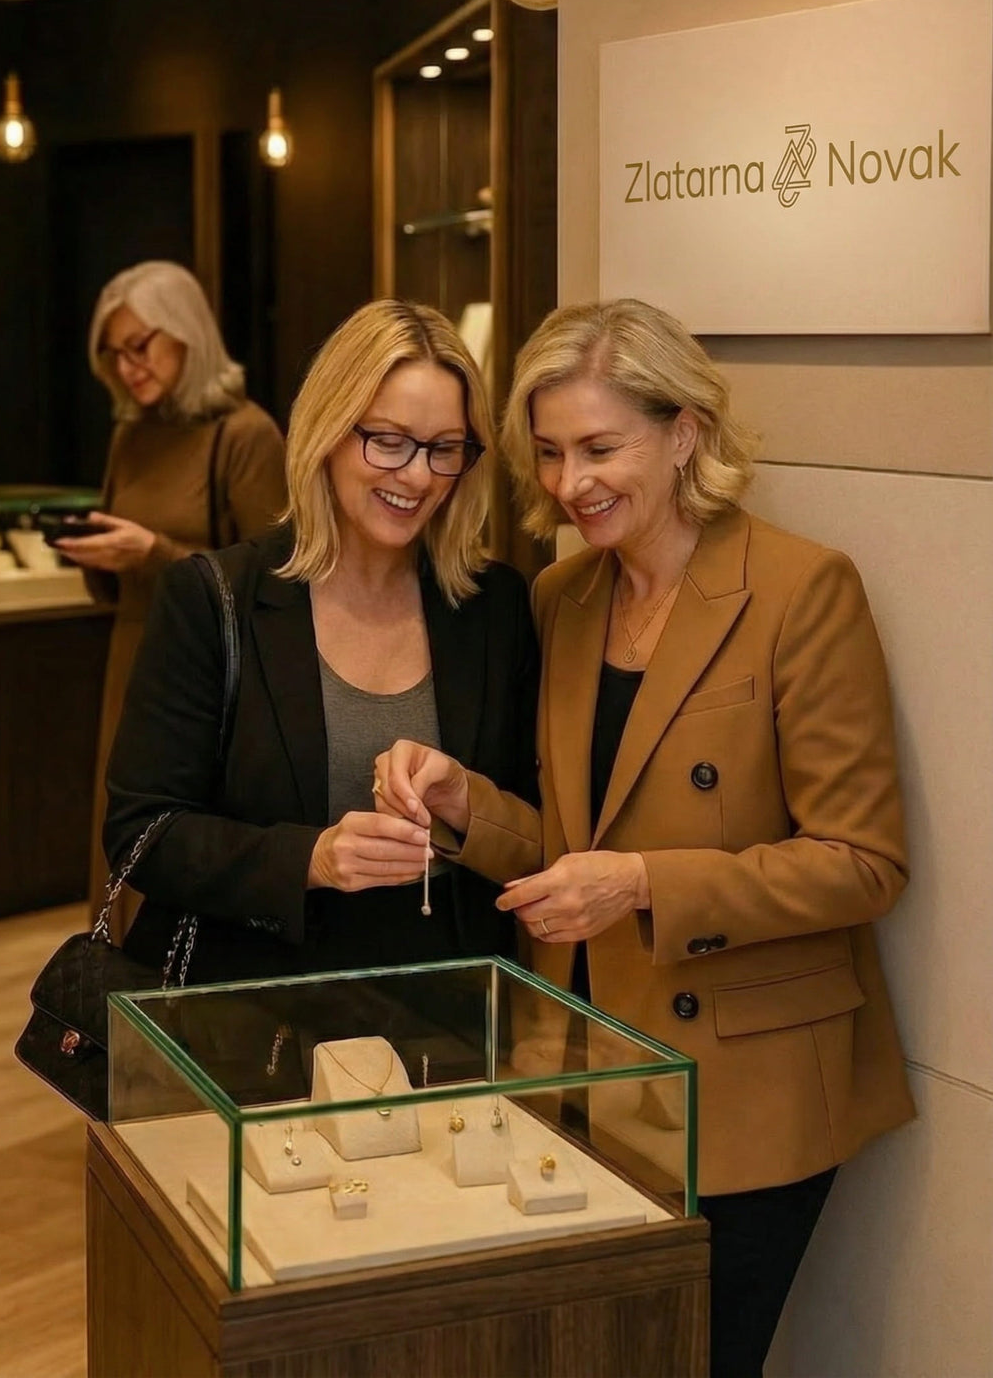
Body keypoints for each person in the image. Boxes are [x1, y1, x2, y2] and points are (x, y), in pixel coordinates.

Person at [373, 297, 914, 1378]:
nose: (571, 483)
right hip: (582, 1073)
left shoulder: (802, 589)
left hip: (745, 1093)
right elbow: (570, 846)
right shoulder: (563, 596)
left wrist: (642, 884)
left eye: (599, 447)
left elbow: (862, 863)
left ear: (683, 434)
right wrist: (464, 803)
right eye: (550, 453)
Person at [102, 298, 539, 992]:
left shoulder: (497, 607)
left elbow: (541, 831)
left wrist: (464, 803)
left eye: (444, 449)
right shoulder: (213, 599)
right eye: (388, 441)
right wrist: (313, 859)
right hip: (252, 1014)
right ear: (328, 431)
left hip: (449, 1016)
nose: (418, 475)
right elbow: (142, 834)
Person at [63, 260, 287, 926]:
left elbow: (274, 578)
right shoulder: (130, 434)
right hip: (132, 650)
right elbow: (117, 573)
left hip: (210, 670)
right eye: (113, 353)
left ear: (187, 333)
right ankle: (113, 979)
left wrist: (154, 553)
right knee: (123, 832)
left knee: (180, 842)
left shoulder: (244, 434)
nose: (128, 366)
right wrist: (99, 552)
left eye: (140, 344)